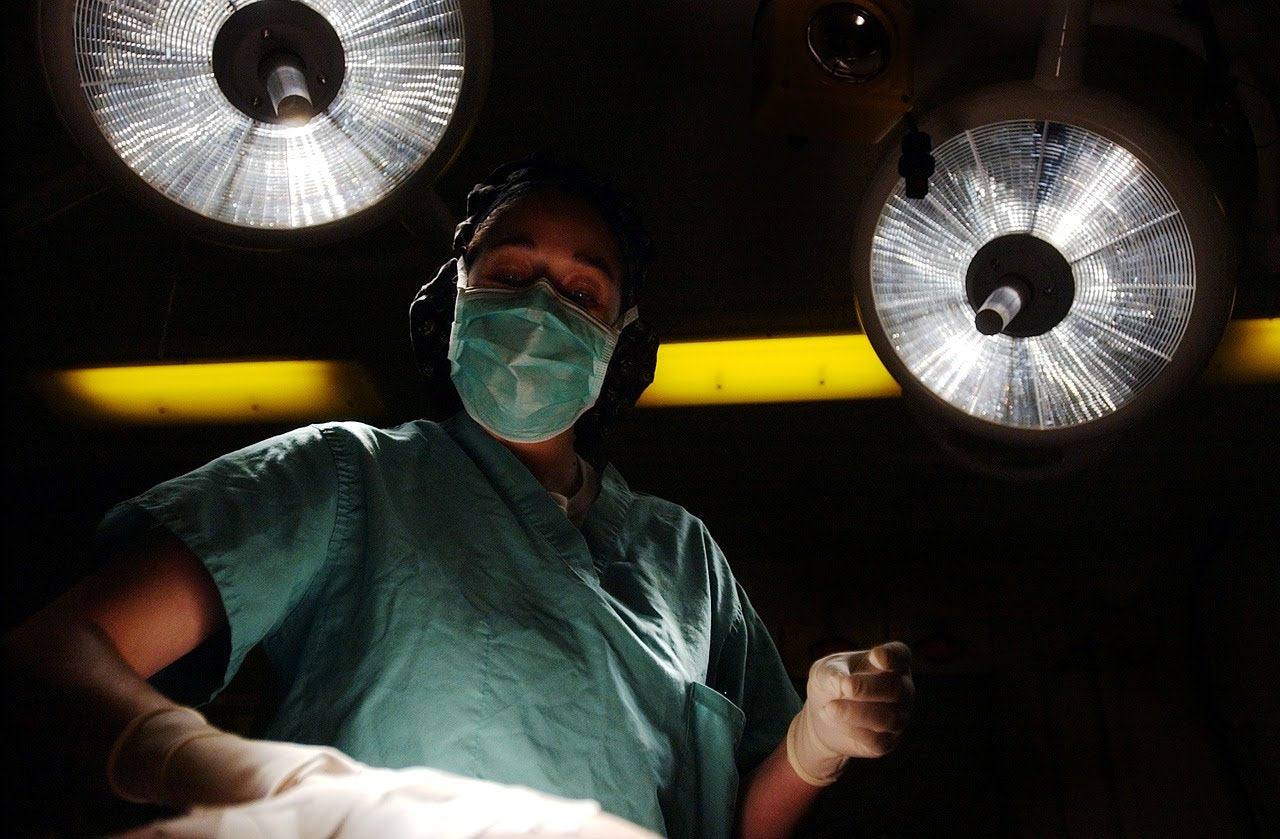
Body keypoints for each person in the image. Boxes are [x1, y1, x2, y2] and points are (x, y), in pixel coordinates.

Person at [3, 155, 915, 839]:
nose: (542, 309)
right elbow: (52, 651)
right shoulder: (350, 477)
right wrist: (216, 767)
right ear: (454, 303)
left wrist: (814, 742)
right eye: (511, 275)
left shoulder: (684, 556)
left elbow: (738, 819)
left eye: (583, 291)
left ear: (618, 344)